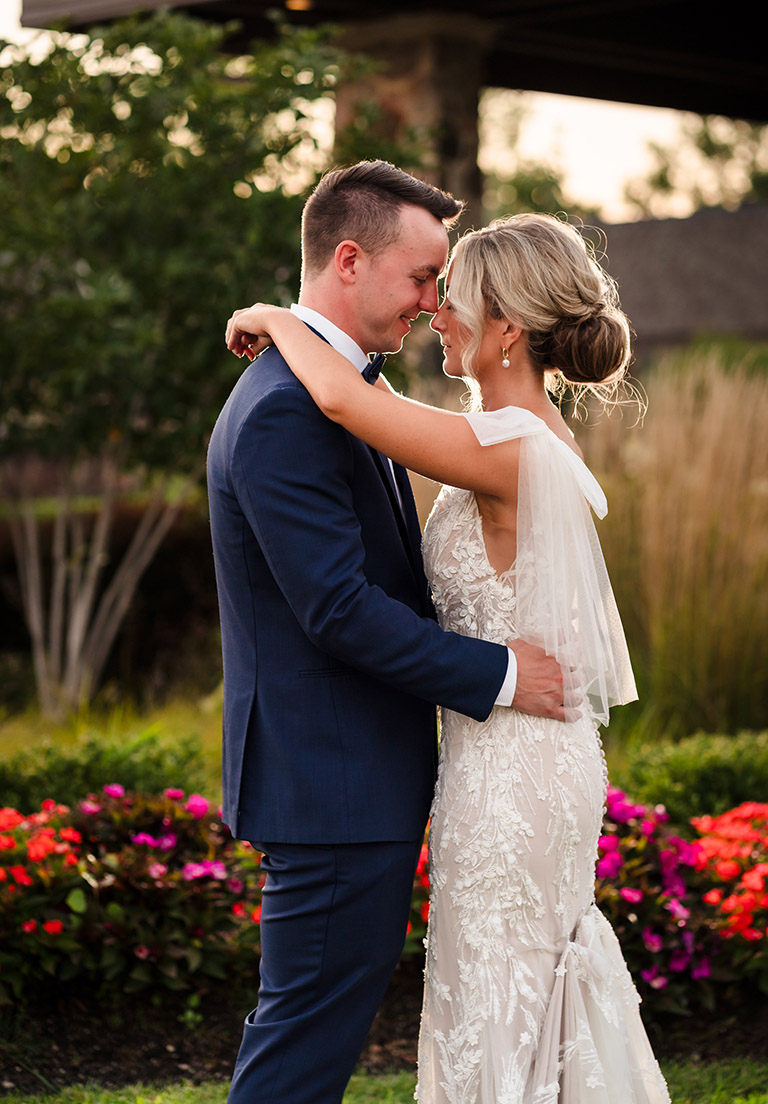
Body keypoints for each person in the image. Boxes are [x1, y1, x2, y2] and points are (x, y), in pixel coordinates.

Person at [224, 212, 671, 1102]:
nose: (435, 311)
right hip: (497, 749)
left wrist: (278, 319)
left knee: (501, 997)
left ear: (506, 324)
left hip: (517, 763)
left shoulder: (511, 444)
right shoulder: (505, 433)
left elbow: (350, 402)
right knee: (493, 998)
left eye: (453, 293)